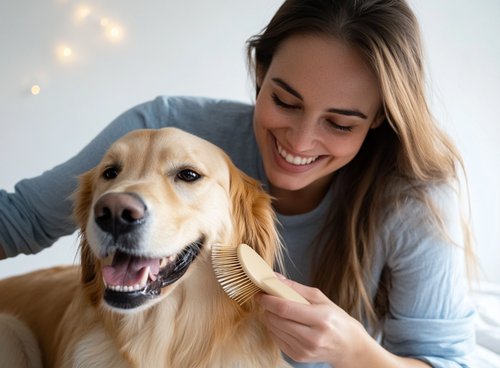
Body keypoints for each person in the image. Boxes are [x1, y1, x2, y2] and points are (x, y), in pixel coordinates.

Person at [0, 0, 476, 367]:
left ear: (377, 121)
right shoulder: (167, 127)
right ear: (260, 72)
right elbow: (19, 220)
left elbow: (446, 358)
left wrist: (355, 350)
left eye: (341, 123)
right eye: (285, 102)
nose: (301, 140)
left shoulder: (414, 199)